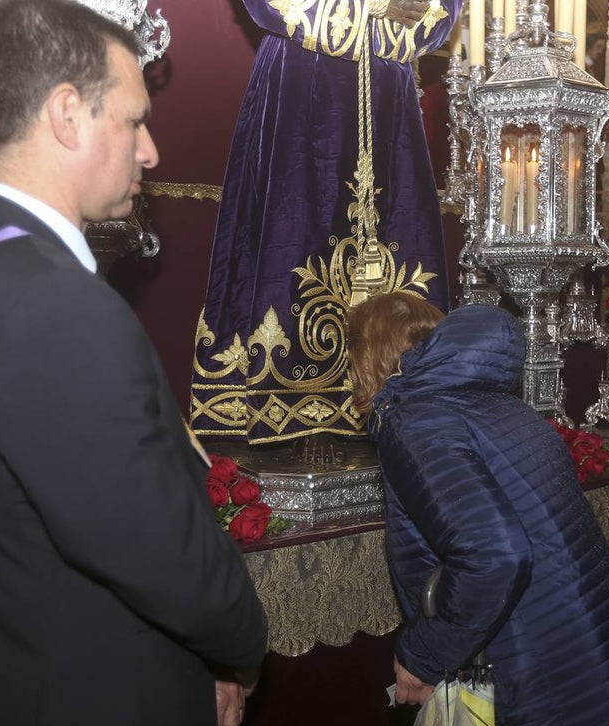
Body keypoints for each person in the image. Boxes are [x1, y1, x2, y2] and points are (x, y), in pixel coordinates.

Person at [0, 2, 267, 726]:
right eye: (134, 122)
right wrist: (239, 641)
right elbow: (156, 547)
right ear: (67, 112)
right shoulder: (48, 302)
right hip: (99, 724)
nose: (151, 151)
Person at [347, 293, 609, 726]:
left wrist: (424, 654)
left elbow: (496, 555)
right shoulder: (499, 407)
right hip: (590, 672)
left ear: (367, 355)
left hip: (542, 689)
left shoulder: (415, 419)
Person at [190, 0, 462, 445]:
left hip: (386, 85)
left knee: (392, 226)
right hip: (304, 78)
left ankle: (402, 397)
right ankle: (287, 403)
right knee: (293, 229)